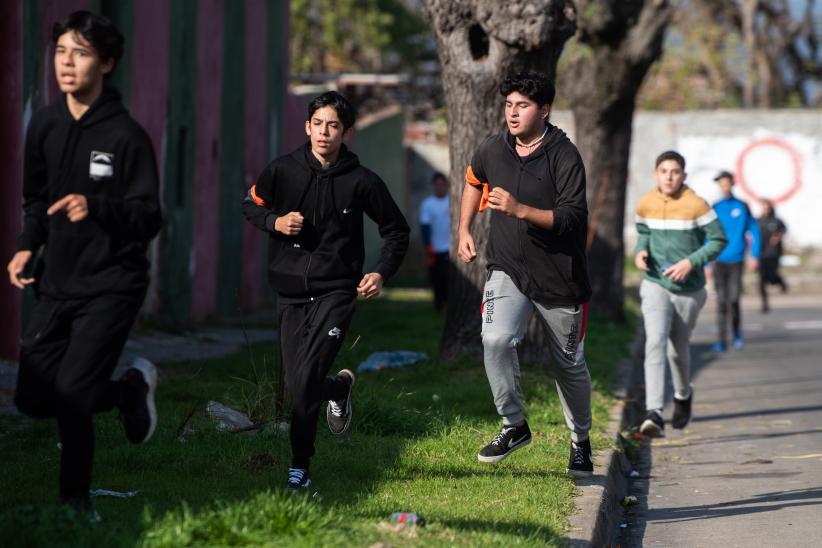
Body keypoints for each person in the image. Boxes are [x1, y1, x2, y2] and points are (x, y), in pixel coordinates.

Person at [6, 11, 162, 516]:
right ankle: (127, 391)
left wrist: (95, 205)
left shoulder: (126, 136)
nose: (66, 63)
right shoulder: (46, 125)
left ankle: (77, 505)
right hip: (56, 281)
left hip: (113, 282)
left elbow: (149, 217)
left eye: (81, 53)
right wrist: (28, 244)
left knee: (73, 392)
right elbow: (35, 199)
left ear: (108, 63)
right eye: (60, 51)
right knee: (31, 399)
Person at [242, 91, 409, 494]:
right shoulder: (282, 171)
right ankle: (338, 388)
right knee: (301, 384)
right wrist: (275, 222)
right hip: (289, 292)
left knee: (305, 382)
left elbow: (396, 231)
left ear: (345, 133)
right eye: (318, 123)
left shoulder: (362, 181)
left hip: (336, 291)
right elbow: (250, 205)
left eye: (333, 125)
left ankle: (299, 469)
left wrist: (381, 273)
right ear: (307, 127)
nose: (324, 132)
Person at [458, 70, 595, 478]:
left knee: (568, 365)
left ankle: (580, 441)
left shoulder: (563, 155)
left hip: (560, 277)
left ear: (544, 109)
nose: (513, 114)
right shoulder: (492, 149)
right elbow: (472, 180)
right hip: (509, 269)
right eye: (508, 105)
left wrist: (520, 211)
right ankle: (514, 425)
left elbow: (573, 218)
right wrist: (464, 229)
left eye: (523, 106)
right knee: (495, 338)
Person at [634, 151, 727, 437]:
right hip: (654, 283)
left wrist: (691, 262)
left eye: (675, 171)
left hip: (689, 289)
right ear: (656, 174)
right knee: (655, 341)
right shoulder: (646, 202)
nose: (669, 176)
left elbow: (719, 239)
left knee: (678, 349)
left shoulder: (696, 205)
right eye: (664, 171)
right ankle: (654, 412)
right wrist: (640, 252)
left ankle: (683, 395)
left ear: (683, 176)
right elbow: (643, 234)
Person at [710, 171, 761, 351]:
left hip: (737, 260)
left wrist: (754, 255)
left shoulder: (742, 206)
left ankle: (737, 334)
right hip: (719, 260)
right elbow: (708, 235)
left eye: (727, 183)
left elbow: (754, 230)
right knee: (721, 301)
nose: (725, 187)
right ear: (719, 186)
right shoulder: (715, 207)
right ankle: (721, 339)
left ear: (732, 184)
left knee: (733, 299)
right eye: (721, 184)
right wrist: (707, 262)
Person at [419, 172, 450, 311]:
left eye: (442, 184)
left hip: (451, 249)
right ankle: (438, 307)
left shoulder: (452, 202)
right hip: (435, 249)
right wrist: (428, 247)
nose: (440, 187)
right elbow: (425, 226)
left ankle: (449, 305)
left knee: (449, 280)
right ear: (433, 186)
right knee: (436, 280)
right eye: (437, 184)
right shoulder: (427, 204)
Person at [757, 199, 788, 312]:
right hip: (760, 254)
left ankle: (779, 281)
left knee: (771, 277)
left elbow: (784, 230)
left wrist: (778, 236)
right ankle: (764, 304)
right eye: (764, 207)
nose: (766, 210)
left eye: (767, 207)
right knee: (761, 280)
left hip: (773, 253)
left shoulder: (777, 221)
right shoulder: (758, 221)